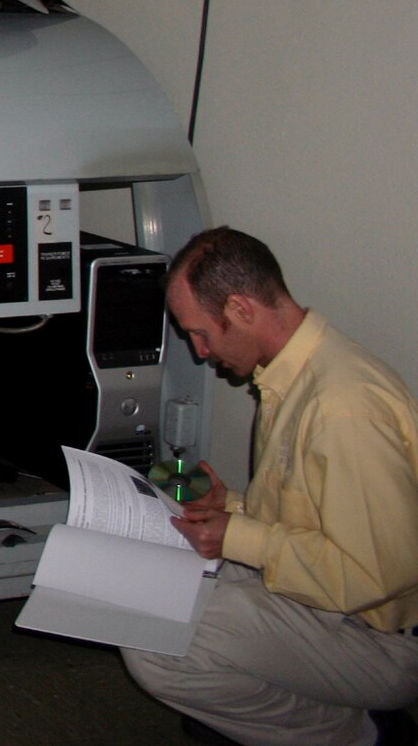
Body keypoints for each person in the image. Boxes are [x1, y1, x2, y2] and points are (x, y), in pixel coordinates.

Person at [122, 226, 418, 746]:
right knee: (154, 575)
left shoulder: (343, 409)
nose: (200, 352)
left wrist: (233, 537)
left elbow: (377, 576)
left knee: (157, 644)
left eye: (201, 333)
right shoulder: (296, 375)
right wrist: (229, 507)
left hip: (381, 637)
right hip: (330, 606)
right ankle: (273, 706)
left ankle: (357, 735)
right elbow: (310, 525)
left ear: (239, 308)